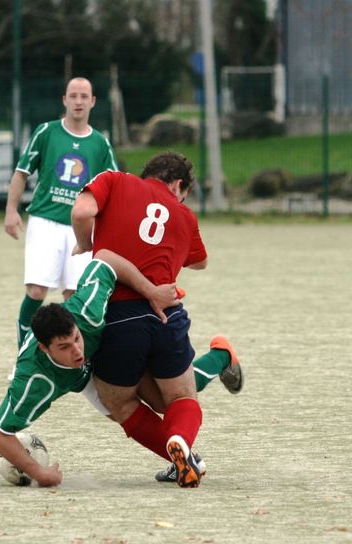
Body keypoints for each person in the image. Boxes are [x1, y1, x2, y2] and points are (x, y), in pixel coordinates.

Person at [0, 249, 243, 487]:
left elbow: (106, 259)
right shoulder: (35, 379)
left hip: (110, 342)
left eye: (76, 339)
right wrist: (39, 473)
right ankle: (188, 458)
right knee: (128, 411)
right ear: (45, 349)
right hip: (79, 379)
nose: (77, 351)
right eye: (64, 347)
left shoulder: (87, 311)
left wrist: (151, 291)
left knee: (165, 400)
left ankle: (220, 358)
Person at [71, 151, 209, 488]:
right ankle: (181, 443)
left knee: (119, 400)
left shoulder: (115, 180)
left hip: (119, 315)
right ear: (179, 185)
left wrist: (85, 244)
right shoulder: (185, 215)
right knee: (180, 398)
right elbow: (200, 262)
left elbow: (82, 210)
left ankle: (175, 453)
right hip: (168, 314)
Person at [4, 77, 118, 354]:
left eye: (84, 96)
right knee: (36, 291)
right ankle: (24, 356)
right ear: (64, 100)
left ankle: (70, 359)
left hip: (81, 228)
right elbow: (22, 172)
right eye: (73, 96)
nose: (78, 101)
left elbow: (115, 187)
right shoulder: (47, 132)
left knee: (73, 297)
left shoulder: (100, 143)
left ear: (92, 102)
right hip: (45, 222)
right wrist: (11, 209)